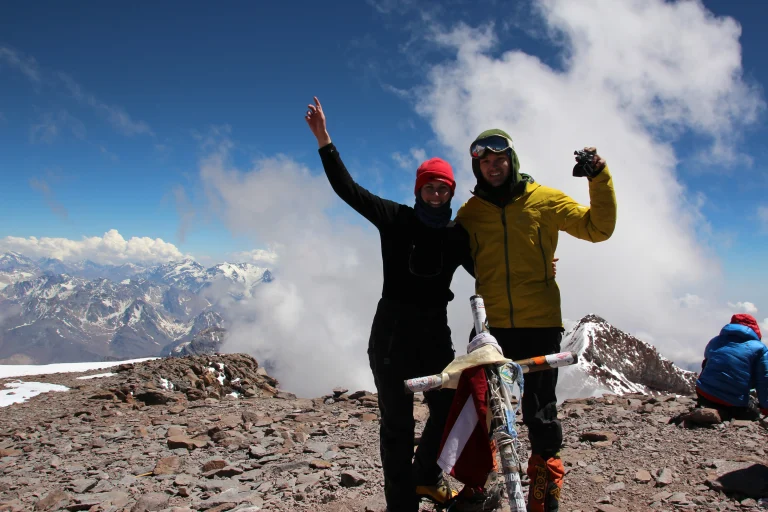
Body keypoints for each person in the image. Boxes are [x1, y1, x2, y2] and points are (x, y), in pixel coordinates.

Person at [304, 96, 470, 512]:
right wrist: (325, 140)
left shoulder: (456, 235)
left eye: (443, 188)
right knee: (396, 427)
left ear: (451, 192)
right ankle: (402, 504)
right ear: (419, 189)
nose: (435, 193)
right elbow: (349, 190)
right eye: (429, 186)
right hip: (392, 340)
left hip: (435, 339)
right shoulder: (396, 219)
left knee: (449, 407)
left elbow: (488, 271)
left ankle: (424, 476)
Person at [455, 129, 617, 512]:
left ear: (512, 161)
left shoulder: (543, 200)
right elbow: (455, 251)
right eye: (485, 162)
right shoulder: (471, 213)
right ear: (478, 167)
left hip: (539, 321)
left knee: (540, 411)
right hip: (490, 326)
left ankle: (544, 495)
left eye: (499, 160)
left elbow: (599, 228)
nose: (493, 167)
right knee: (479, 406)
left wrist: (599, 177)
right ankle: (479, 485)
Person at [696, 313, 768, 421]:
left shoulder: (715, 340)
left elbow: (706, 362)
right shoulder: (760, 348)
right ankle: (725, 413)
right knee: (753, 413)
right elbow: (764, 381)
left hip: (703, 394)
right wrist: (766, 407)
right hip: (733, 403)